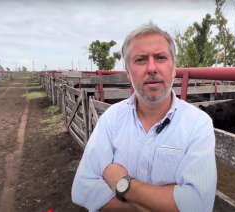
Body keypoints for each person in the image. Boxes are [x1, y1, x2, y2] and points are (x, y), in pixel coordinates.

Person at [71, 21, 217, 212]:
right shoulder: (112, 118)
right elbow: (82, 189)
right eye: (140, 60)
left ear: (174, 69)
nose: (151, 68)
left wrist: (122, 183)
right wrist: (163, 202)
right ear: (129, 73)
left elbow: (197, 204)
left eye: (160, 57)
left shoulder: (198, 123)